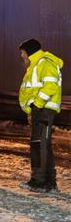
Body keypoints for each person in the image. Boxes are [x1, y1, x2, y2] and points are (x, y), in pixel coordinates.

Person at [18, 38, 64, 192]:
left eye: (23, 52)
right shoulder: (36, 64)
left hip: (43, 110)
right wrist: (30, 110)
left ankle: (39, 181)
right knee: (43, 145)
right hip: (39, 110)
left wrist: (37, 104)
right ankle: (49, 182)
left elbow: (51, 86)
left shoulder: (44, 63)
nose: (22, 56)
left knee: (39, 146)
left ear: (29, 52)